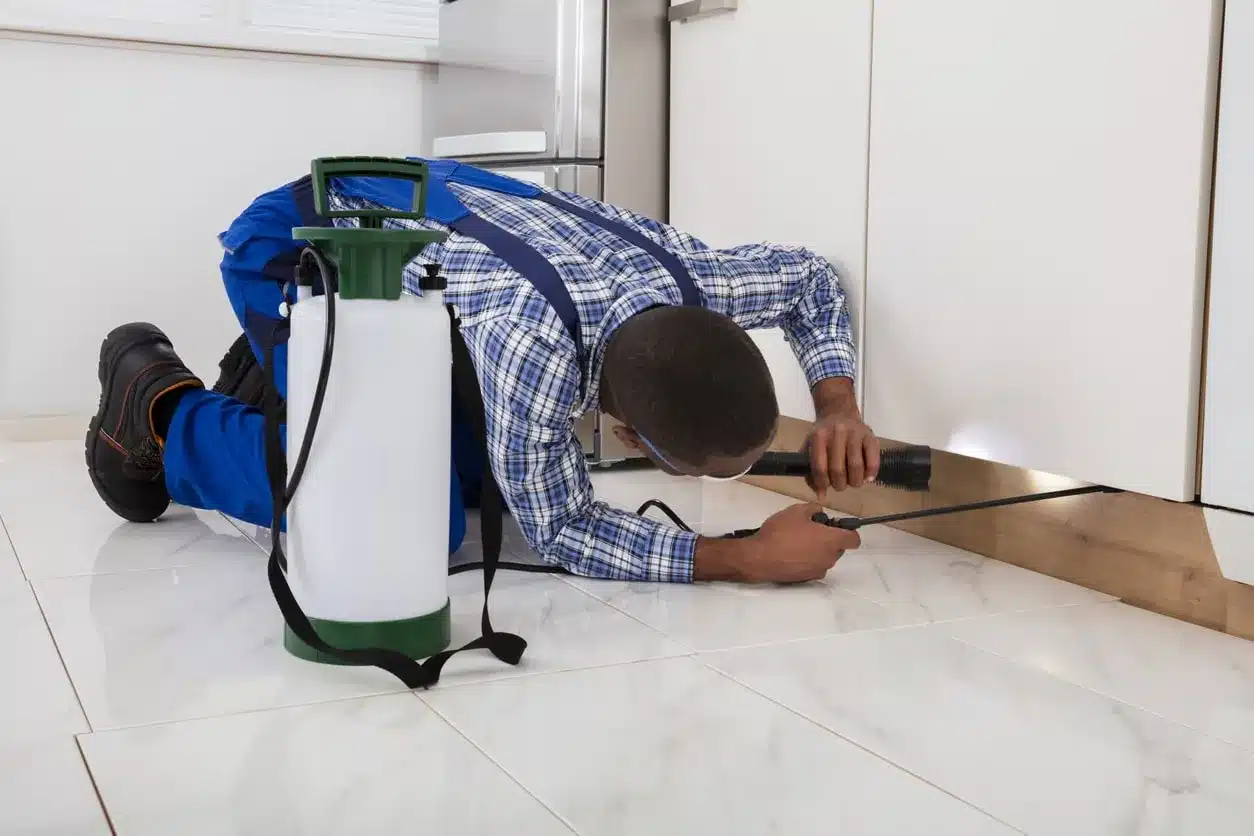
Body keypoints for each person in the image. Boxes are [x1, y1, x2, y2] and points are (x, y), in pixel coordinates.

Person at [85, 157, 874, 585]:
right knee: (407, 519)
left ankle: (271, 382)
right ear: (633, 434)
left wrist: (837, 405)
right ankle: (160, 412)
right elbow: (558, 529)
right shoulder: (532, 348)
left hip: (436, 210)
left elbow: (810, 278)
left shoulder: (701, 280)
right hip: (298, 236)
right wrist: (741, 557)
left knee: (478, 476)